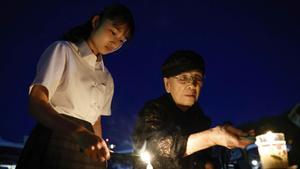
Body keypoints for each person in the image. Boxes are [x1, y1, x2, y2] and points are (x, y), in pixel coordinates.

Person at [16, 4, 135, 169]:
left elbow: (95, 121)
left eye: (122, 40)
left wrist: (101, 158)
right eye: (113, 32)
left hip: (87, 147)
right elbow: (37, 102)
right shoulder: (63, 50)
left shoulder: (107, 77)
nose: (115, 42)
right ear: (96, 22)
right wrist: (78, 133)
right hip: (56, 136)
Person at [132, 50, 252, 169]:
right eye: (183, 78)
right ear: (167, 84)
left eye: (197, 77)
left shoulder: (198, 116)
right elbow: (157, 148)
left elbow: (202, 158)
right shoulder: (153, 111)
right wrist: (213, 136)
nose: (192, 84)